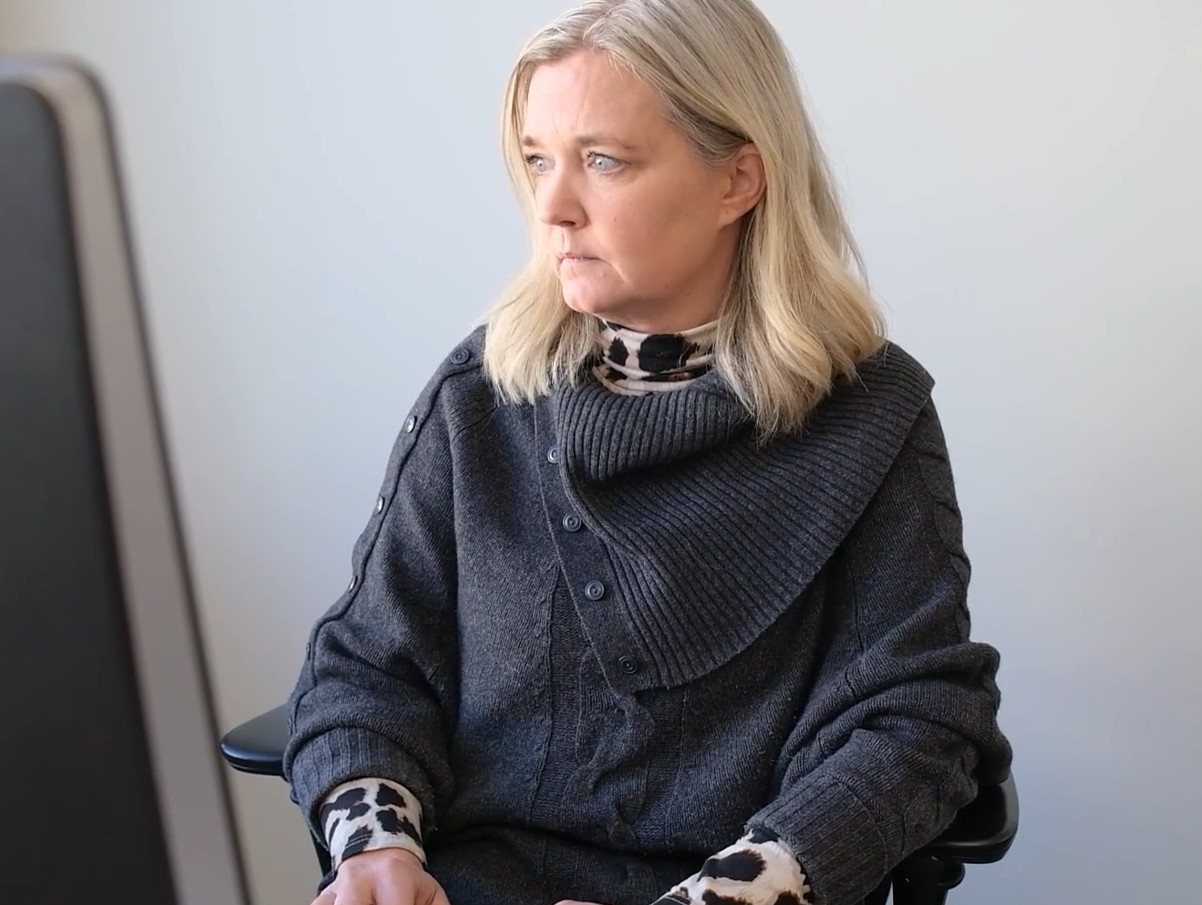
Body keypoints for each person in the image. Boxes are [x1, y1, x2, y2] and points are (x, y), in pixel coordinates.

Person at [283, 1, 1012, 904]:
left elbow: (917, 723)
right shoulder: (481, 395)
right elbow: (367, 665)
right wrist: (375, 848)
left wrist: (721, 895)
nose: (552, 207)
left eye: (602, 160)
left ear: (736, 179)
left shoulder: (870, 414)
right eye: (538, 159)